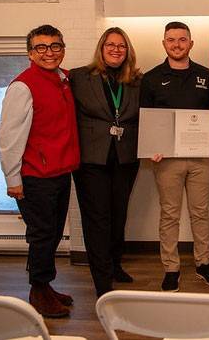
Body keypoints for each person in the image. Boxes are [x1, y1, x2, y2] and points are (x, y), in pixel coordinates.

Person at [0, 24, 79, 317]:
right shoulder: (23, 86)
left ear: (63, 49)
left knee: (54, 232)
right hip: (35, 176)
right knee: (42, 234)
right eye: (41, 47)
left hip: (59, 171)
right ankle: (38, 291)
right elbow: (9, 137)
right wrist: (13, 179)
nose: (49, 52)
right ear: (30, 53)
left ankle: (45, 285)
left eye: (55, 46)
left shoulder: (65, 79)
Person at [140, 21, 209, 292]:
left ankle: (203, 263)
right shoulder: (151, 79)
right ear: (164, 43)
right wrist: (151, 146)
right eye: (171, 39)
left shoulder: (207, 76)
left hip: (201, 158)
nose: (177, 44)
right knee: (170, 214)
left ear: (191, 43)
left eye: (182, 39)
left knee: (200, 213)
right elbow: (145, 121)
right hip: (166, 161)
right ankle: (171, 268)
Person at [70, 27, 141, 297]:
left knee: (118, 214)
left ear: (128, 50)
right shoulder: (78, 77)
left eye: (121, 46)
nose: (116, 49)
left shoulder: (136, 80)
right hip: (91, 160)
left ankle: (114, 265)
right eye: (110, 45)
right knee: (97, 218)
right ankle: (101, 280)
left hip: (125, 158)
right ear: (101, 48)